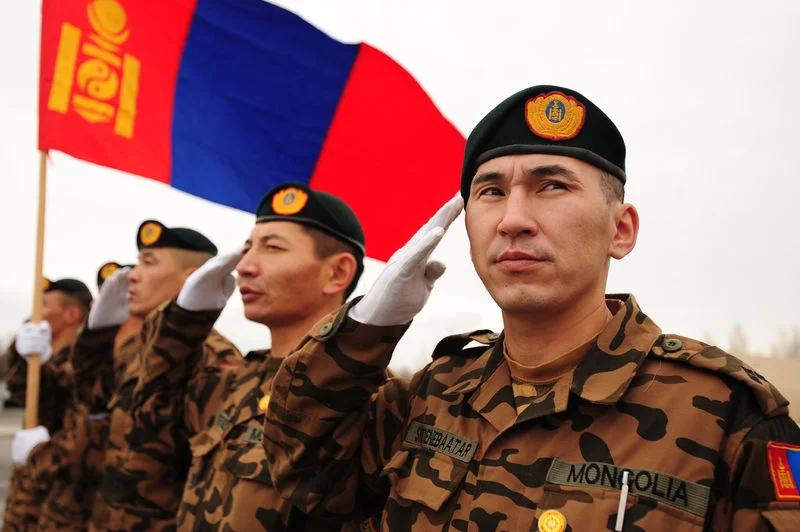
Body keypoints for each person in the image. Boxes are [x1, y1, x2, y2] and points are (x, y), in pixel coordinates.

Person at [262, 85, 800, 531]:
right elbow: (304, 479)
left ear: (621, 229)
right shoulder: (435, 394)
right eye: (490, 192)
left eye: (552, 186)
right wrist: (366, 326)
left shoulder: (725, 418)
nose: (512, 219)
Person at [139, 183, 369, 530]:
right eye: (247, 248)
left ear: (337, 273)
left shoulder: (366, 403)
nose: (244, 266)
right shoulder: (234, 381)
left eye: (272, 247)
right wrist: (184, 318)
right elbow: (149, 417)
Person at [75, 221, 243, 531]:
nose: (133, 275)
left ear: (192, 279)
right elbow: (93, 405)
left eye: (148, 263)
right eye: (138, 261)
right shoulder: (137, 353)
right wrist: (96, 335)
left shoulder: (215, 358)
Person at [4, 278, 92, 530]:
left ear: (71, 314)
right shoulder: (38, 362)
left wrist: (45, 363)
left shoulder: (85, 362)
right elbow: (23, 391)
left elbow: (66, 389)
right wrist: (22, 356)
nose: (35, 313)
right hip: (27, 499)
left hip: (58, 505)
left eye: (43, 305)